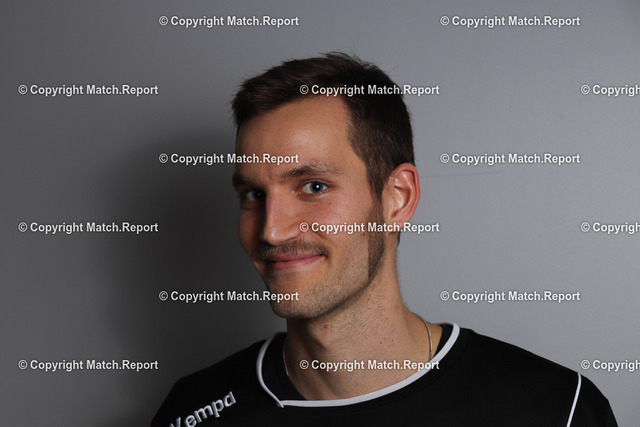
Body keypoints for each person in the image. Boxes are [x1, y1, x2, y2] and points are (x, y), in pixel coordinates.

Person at [152, 53, 617, 426]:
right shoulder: (192, 411)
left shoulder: (555, 409)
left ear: (398, 198)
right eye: (253, 195)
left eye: (313, 186)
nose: (272, 230)